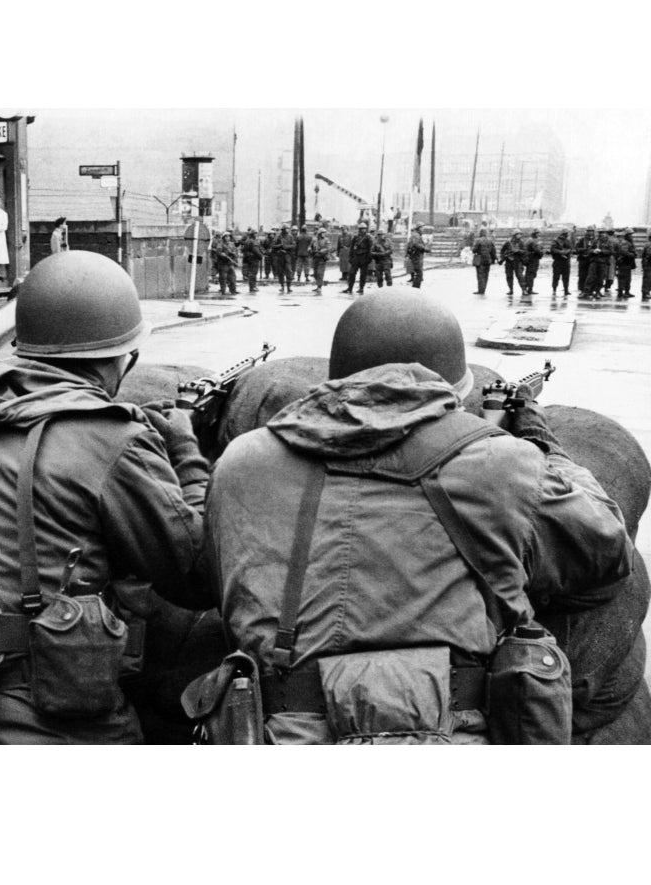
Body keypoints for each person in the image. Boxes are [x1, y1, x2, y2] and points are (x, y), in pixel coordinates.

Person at [203, 291, 633, 744]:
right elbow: (605, 552)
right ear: (455, 389)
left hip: (281, 733)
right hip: (457, 733)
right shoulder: (503, 465)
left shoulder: (241, 462)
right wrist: (539, 441)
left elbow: (210, 576)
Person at [0, 250, 212, 744]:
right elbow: (194, 574)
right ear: (123, 358)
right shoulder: (112, 439)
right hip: (44, 714)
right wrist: (185, 450)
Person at [342, 220, 373, 294]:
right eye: (361, 229)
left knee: (363, 274)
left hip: (364, 257)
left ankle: (361, 288)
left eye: (364, 229)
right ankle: (350, 288)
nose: (363, 230)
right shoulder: (355, 237)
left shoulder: (368, 237)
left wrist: (369, 258)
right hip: (356, 257)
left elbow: (370, 248)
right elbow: (351, 248)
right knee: (351, 273)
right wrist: (350, 257)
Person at [580, 229, 612, 300]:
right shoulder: (595, 241)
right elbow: (589, 250)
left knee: (600, 278)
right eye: (600, 233)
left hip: (603, 262)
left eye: (603, 233)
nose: (602, 235)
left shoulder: (609, 242)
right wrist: (593, 251)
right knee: (590, 277)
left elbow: (610, 251)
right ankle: (586, 292)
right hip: (594, 261)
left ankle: (597, 291)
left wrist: (601, 251)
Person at [500, 229, 527, 297]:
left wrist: (518, 251)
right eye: (518, 234)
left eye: (520, 234)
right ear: (514, 235)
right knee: (509, 276)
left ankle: (524, 289)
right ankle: (511, 289)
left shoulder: (521, 242)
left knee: (520, 276)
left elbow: (524, 251)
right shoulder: (508, 242)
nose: (519, 235)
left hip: (517, 261)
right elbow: (502, 250)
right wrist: (502, 258)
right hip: (509, 261)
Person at [471, 226, 496, 295]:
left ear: (480, 233)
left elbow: (474, 250)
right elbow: (493, 251)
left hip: (480, 260)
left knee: (480, 275)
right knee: (486, 275)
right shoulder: (490, 240)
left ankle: (480, 290)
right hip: (488, 260)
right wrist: (493, 259)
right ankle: (483, 289)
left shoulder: (478, 240)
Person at [271, 225, 295, 293]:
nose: (287, 230)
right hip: (280, 256)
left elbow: (293, 245)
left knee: (289, 271)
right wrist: (279, 246)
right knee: (280, 272)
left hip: (287, 256)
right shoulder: (278, 236)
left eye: (287, 229)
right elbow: (273, 245)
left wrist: (286, 247)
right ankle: (282, 286)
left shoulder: (290, 236)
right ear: (283, 230)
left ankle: (289, 286)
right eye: (286, 229)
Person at [550, 228, 573, 297]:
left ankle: (566, 290)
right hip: (558, 261)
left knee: (566, 277)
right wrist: (561, 253)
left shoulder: (568, 241)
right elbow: (553, 249)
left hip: (566, 261)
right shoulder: (556, 241)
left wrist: (567, 252)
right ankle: (554, 289)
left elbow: (570, 249)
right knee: (556, 276)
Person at [405, 222, 430, 288]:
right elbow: (416, 244)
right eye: (422, 228)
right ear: (418, 228)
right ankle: (416, 289)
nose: (423, 229)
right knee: (419, 274)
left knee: (419, 274)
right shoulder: (416, 235)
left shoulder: (417, 235)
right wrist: (425, 249)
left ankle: (416, 288)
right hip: (416, 257)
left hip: (417, 256)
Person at [309, 226, 331, 295]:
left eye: (324, 233)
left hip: (322, 258)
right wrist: (309, 249)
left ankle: (319, 287)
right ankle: (318, 285)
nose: (324, 234)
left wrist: (321, 251)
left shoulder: (326, 240)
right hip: (315, 257)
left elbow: (328, 248)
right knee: (315, 273)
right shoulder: (314, 239)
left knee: (320, 273)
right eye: (323, 233)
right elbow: (310, 246)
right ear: (319, 233)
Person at [575, 225, 597, 296]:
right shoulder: (582, 240)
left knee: (592, 276)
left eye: (591, 231)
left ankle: (591, 290)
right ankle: (582, 289)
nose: (590, 233)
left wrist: (592, 251)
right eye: (589, 231)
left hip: (592, 260)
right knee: (582, 275)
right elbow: (577, 248)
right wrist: (585, 250)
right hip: (583, 259)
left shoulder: (596, 240)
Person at [616, 229, 637, 299]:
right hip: (623, 262)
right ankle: (620, 293)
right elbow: (623, 252)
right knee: (622, 278)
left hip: (628, 263)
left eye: (631, 235)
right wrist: (632, 255)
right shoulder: (625, 242)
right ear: (626, 235)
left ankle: (627, 292)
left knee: (628, 279)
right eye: (630, 235)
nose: (631, 236)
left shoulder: (629, 242)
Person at [241, 228, 264, 293]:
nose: (256, 235)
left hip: (248, 258)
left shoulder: (247, 240)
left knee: (251, 273)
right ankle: (252, 286)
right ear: (253, 234)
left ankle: (252, 286)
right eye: (255, 233)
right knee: (253, 273)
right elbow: (255, 250)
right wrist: (260, 256)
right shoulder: (253, 241)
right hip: (253, 259)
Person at [524, 229, 544, 296]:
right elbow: (537, 250)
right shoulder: (532, 241)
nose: (538, 234)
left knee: (530, 274)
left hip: (532, 258)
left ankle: (526, 288)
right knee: (531, 274)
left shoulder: (531, 240)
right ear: (534, 233)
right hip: (532, 259)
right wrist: (542, 252)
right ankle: (529, 289)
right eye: (537, 233)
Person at [642, 236, 651, 301]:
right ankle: (645, 292)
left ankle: (646, 292)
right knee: (647, 279)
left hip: (648, 263)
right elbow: (649, 254)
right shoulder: (649, 244)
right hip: (648, 264)